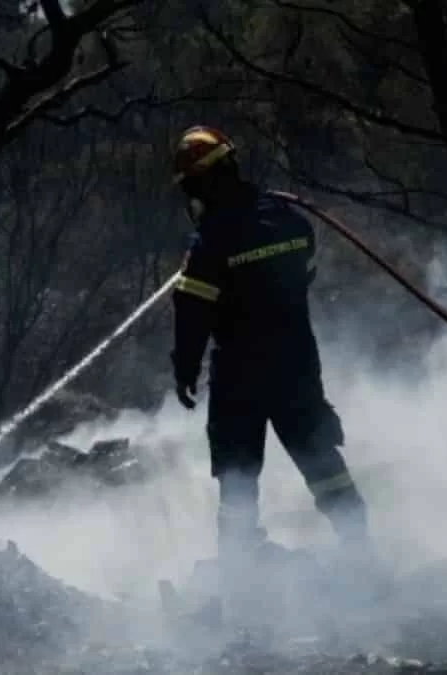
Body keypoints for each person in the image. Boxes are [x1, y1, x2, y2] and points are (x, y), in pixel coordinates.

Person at [167, 125, 369, 567]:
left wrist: (184, 370)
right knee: (321, 460)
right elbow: (305, 278)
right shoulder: (291, 221)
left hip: (240, 373)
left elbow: (192, 315)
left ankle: (238, 573)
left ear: (203, 182)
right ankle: (363, 553)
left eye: (193, 186)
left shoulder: (210, 242)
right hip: (297, 363)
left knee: (238, 475)